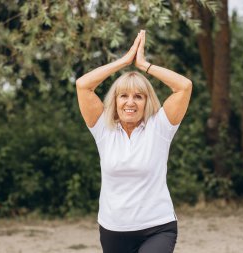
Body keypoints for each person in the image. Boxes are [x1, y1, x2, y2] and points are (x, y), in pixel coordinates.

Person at [75, 30, 192, 253]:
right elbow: (83, 85)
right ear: (115, 101)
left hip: (158, 227)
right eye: (124, 96)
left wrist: (143, 65)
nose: (130, 102)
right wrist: (124, 61)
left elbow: (184, 86)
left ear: (147, 101)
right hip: (113, 230)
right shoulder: (103, 129)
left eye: (138, 96)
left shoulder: (160, 127)